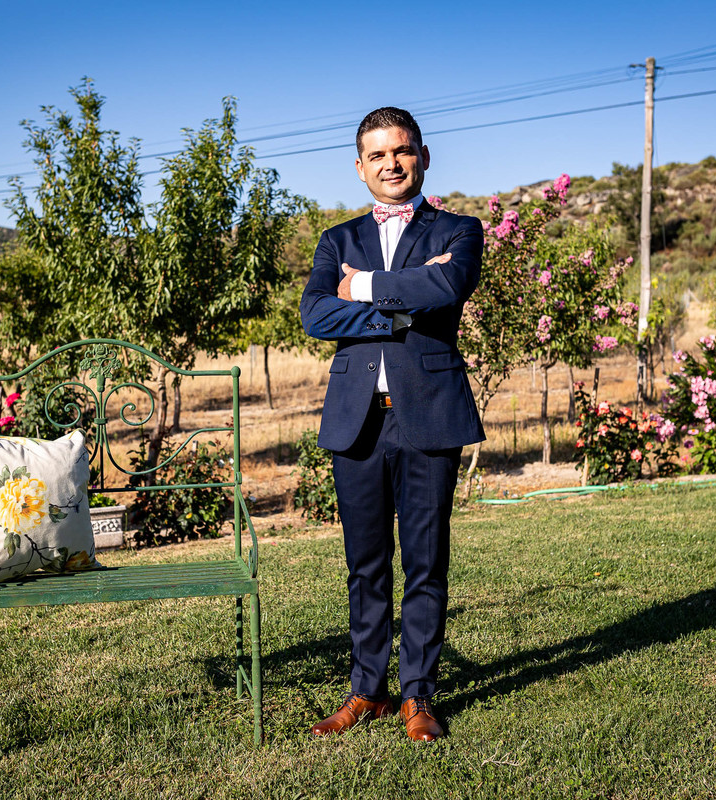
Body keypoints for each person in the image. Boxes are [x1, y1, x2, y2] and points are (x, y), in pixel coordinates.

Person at [299, 107, 485, 742]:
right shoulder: (337, 241)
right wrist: (400, 303)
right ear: (360, 167)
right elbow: (316, 316)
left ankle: (418, 696)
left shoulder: (459, 231)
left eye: (401, 151)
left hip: (429, 414)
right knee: (366, 564)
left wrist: (361, 289)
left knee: (426, 563)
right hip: (356, 421)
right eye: (377, 155)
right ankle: (366, 691)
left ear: (423, 156)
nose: (391, 164)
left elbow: (447, 288)